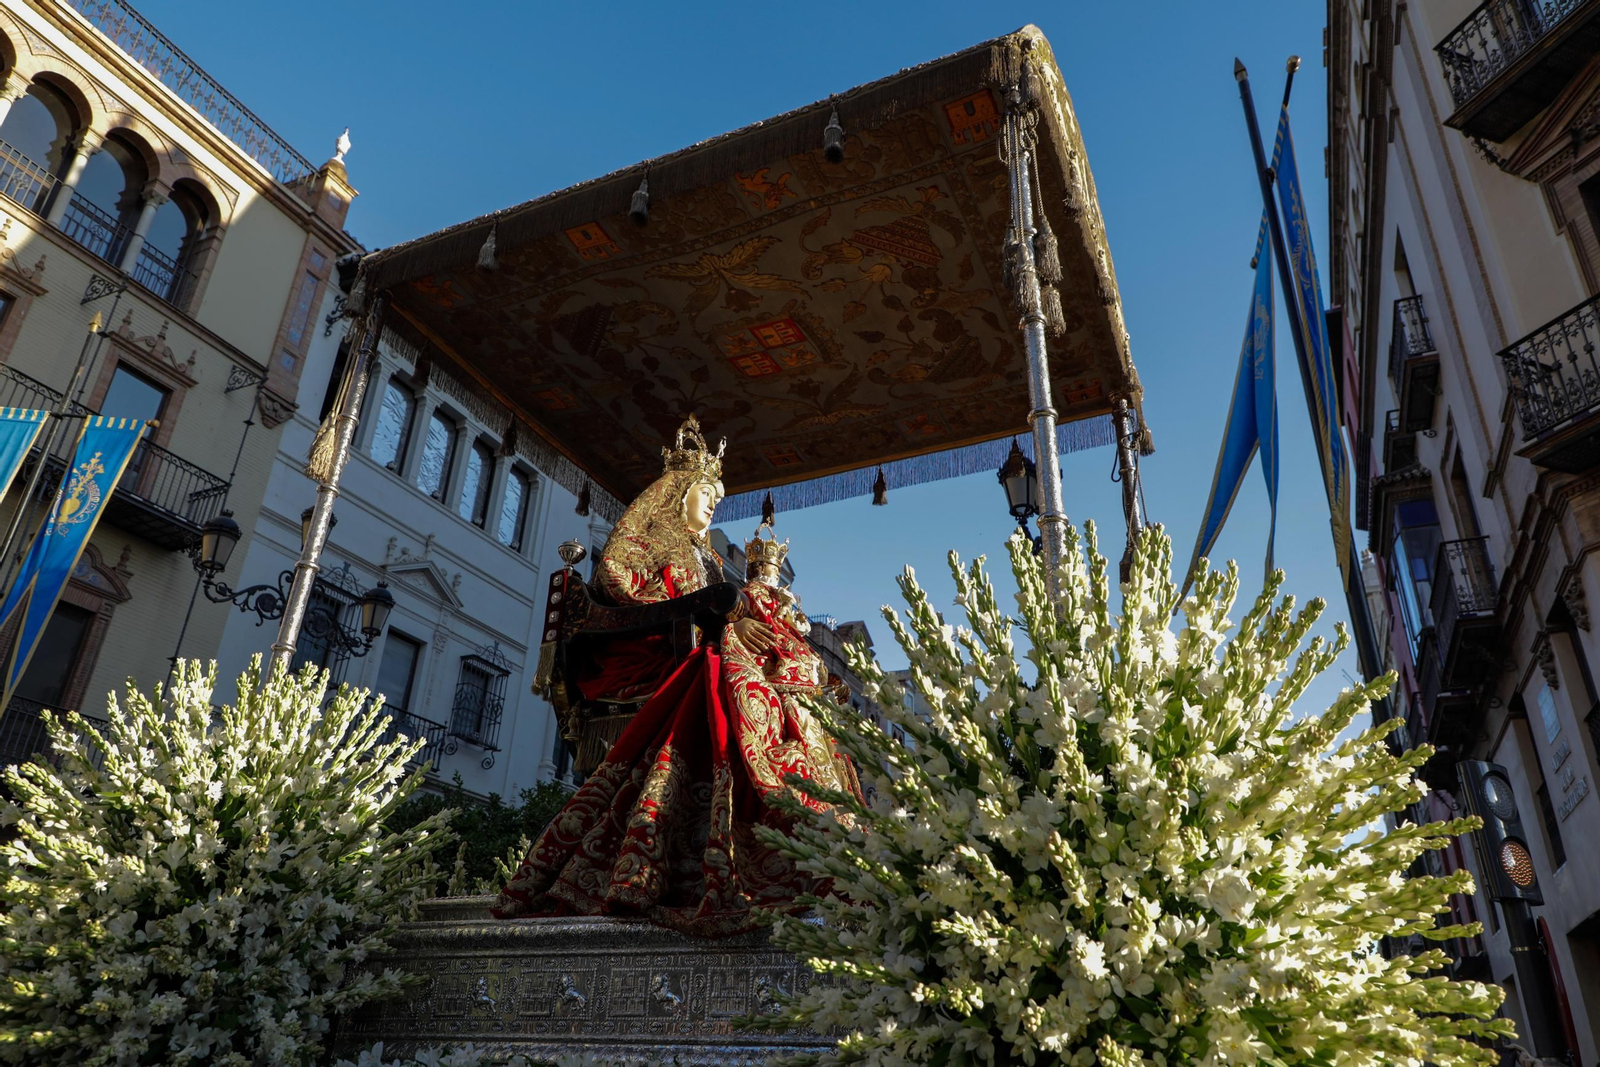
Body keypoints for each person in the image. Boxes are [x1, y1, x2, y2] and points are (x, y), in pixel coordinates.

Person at [493, 417, 860, 936]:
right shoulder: (645, 544)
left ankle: (809, 830)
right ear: (678, 493)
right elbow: (626, 595)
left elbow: (720, 607)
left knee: (790, 681)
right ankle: (748, 835)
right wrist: (724, 618)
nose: (712, 506)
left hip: (694, 644)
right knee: (728, 676)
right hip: (644, 654)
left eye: (717, 498)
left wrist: (742, 623)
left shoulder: (707, 556)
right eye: (705, 494)